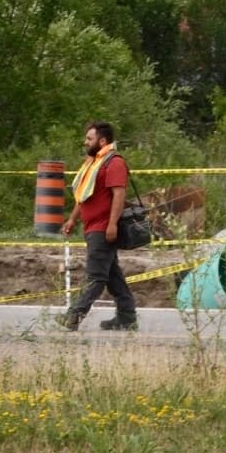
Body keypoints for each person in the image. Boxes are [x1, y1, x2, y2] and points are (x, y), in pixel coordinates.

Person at [55, 121, 138, 331]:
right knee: (112, 276)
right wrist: (73, 219)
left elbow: (119, 195)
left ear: (102, 141)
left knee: (96, 276)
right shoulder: (94, 163)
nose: (86, 142)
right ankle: (127, 317)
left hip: (102, 229)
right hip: (92, 227)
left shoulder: (114, 162)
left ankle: (74, 316)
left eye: (89, 139)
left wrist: (112, 225)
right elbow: (83, 195)